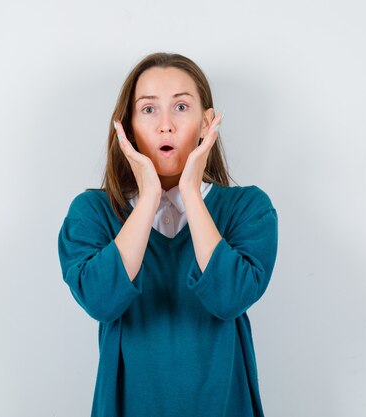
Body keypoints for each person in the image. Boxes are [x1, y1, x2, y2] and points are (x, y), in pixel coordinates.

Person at [57, 52, 278, 417]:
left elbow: (230, 297)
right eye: (148, 110)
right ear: (125, 127)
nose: (165, 126)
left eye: (180, 107)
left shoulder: (248, 208)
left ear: (207, 123)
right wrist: (148, 201)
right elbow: (100, 300)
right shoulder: (92, 212)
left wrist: (191, 192)